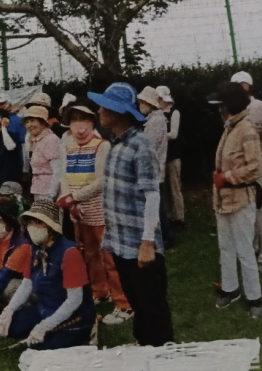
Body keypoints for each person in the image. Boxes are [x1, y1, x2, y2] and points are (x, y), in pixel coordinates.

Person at [87, 82, 173, 346]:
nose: (99, 110)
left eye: (105, 106)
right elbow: (108, 183)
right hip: (121, 242)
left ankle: (162, 353)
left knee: (151, 304)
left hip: (140, 245)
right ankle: (145, 345)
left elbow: (152, 194)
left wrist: (148, 242)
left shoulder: (141, 145)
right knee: (136, 300)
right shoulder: (115, 145)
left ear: (119, 111)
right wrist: (75, 197)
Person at [56, 99, 132, 325]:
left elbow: (102, 182)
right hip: (78, 209)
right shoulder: (68, 146)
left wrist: (74, 197)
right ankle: (100, 292)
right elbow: (64, 175)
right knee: (88, 253)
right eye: (74, 121)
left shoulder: (102, 146)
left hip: (100, 208)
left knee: (109, 255)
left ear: (92, 122)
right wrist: (69, 199)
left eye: (84, 121)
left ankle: (124, 303)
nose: (79, 127)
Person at [0, 199, 96, 350]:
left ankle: (85, 332)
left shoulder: (69, 253)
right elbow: (26, 284)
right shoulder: (34, 249)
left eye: (38, 223)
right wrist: (8, 310)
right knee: (11, 327)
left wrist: (46, 325)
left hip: (74, 316)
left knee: (40, 348)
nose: (33, 227)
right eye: (30, 223)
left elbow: (74, 300)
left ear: (51, 227)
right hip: (44, 308)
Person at [207, 82, 262, 319]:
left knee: (244, 250)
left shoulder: (247, 129)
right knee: (225, 248)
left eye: (221, 105)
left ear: (229, 105)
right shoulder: (229, 127)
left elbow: (254, 167)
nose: (218, 109)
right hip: (223, 201)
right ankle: (231, 289)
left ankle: (255, 297)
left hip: (240, 200)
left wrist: (227, 178)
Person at [231, 72, 262, 272]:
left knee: (261, 209)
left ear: (247, 85)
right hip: (240, 164)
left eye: (240, 85)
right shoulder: (234, 109)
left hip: (260, 161)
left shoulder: (260, 107)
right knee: (246, 207)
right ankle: (250, 250)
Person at [138, 86, 173, 248]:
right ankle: (163, 235)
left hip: (154, 169)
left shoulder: (156, 120)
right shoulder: (154, 119)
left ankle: (166, 236)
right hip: (154, 167)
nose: (140, 106)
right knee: (156, 205)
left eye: (141, 103)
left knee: (156, 207)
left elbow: (148, 145)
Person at [157, 86, 185, 230]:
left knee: (175, 188)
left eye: (160, 98)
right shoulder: (157, 114)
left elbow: (173, 134)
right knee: (165, 189)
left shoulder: (174, 113)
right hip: (162, 156)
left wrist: (159, 136)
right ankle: (169, 217)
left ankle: (179, 218)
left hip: (173, 155)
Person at [23, 106, 62, 201]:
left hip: (49, 192)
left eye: (32, 120)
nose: (29, 125)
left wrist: (51, 194)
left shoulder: (51, 139)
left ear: (43, 122)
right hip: (39, 190)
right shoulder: (36, 141)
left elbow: (58, 170)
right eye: (27, 122)